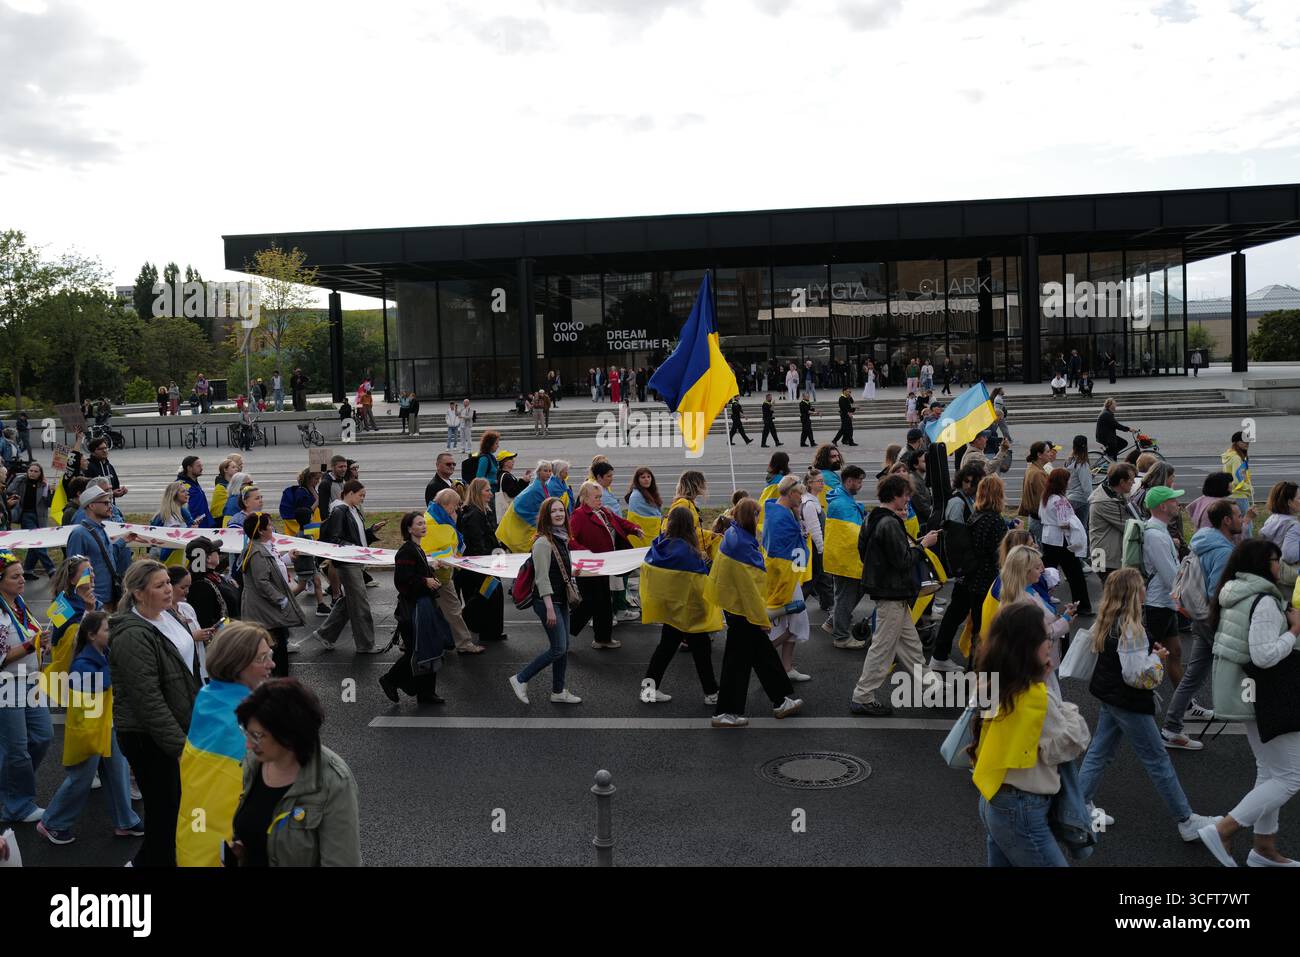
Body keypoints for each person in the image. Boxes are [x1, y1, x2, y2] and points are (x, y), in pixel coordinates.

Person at [1077, 567, 1220, 844]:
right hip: (1129, 702)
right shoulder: (1132, 629)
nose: (1146, 590)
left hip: (1110, 695)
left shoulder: (1110, 619)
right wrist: (1157, 660)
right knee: (1157, 760)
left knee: (1099, 751)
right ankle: (1186, 820)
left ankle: (1079, 806)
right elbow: (1136, 676)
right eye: (1142, 585)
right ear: (1133, 593)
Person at [1198, 539, 1300, 867]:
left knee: (1270, 770)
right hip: (1265, 695)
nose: (1279, 565)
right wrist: (1294, 631)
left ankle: (1264, 848)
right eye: (1275, 559)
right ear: (1261, 563)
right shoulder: (1265, 601)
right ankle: (1225, 828)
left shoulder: (1234, 591)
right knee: (1291, 776)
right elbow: (1264, 655)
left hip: (1242, 691)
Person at [968, 600, 1090, 867]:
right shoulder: (1036, 697)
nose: (1051, 643)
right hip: (1023, 806)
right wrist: (1066, 706)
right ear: (1029, 645)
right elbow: (1073, 742)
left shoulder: (991, 683)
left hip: (994, 797)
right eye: (1046, 637)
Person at [111, 559, 203, 867]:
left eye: (168, 583)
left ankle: (148, 860)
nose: (169, 589)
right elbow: (147, 700)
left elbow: (187, 672)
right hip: (148, 736)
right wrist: (179, 747)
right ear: (138, 593)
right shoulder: (132, 635)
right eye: (160, 585)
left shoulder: (170, 616)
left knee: (174, 809)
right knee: (165, 810)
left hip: (177, 726)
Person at [36, 609, 144, 846]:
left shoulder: (104, 653)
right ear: (93, 635)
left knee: (118, 772)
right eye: (107, 629)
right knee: (81, 780)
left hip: (106, 726)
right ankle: (52, 823)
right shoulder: (83, 664)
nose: (112, 633)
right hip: (89, 732)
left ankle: (125, 820)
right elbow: (103, 684)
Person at [228, 678, 360, 866]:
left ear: (287, 734)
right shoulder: (254, 763)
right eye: (247, 733)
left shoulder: (333, 781)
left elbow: (341, 861)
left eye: (257, 736)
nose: (249, 744)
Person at [174, 624, 272, 866]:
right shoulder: (247, 718)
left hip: (197, 836)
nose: (272, 664)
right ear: (238, 664)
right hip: (224, 843)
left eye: (270, 655)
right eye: (262, 658)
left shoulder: (210, 695)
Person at [849, 474, 940, 717]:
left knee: (910, 645)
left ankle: (932, 686)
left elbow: (868, 552)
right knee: (883, 647)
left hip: (888, 591)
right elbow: (903, 561)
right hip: (892, 593)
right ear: (894, 496)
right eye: (906, 495)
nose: (908, 499)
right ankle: (863, 695)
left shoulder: (873, 518)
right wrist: (923, 546)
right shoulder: (889, 523)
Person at [706, 499, 801, 728]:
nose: (760, 520)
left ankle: (782, 700)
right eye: (757, 515)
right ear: (751, 517)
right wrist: (761, 620)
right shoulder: (743, 547)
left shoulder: (734, 536)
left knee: (763, 655)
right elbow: (751, 590)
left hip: (735, 608)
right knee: (738, 663)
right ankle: (727, 712)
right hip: (744, 612)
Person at [639, 506, 722, 704]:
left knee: (665, 649)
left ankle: (648, 691)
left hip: (669, 610)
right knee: (702, 653)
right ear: (689, 527)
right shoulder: (688, 553)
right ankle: (711, 693)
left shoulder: (659, 545)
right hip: (688, 611)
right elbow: (699, 585)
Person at [295, 481, 386, 655]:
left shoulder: (352, 510)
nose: (362, 498)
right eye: (361, 495)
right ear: (349, 493)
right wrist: (352, 547)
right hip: (347, 562)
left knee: (350, 600)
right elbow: (334, 538)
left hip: (353, 559)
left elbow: (353, 536)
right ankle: (365, 644)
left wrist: (371, 531)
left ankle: (325, 634)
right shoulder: (340, 510)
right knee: (360, 604)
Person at [508, 497, 583, 705]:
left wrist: (571, 572)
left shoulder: (561, 538)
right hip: (548, 602)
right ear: (545, 516)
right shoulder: (543, 542)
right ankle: (521, 678)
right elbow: (541, 578)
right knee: (558, 647)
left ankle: (558, 691)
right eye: (553, 511)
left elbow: (555, 569)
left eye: (561, 510)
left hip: (560, 600)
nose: (559, 514)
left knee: (564, 646)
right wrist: (550, 608)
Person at [0, 550, 53, 824]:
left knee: (43, 735)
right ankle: (17, 805)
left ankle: (11, 786)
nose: (23, 580)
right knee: (17, 749)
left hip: (30, 681)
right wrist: (30, 645)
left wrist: (41, 643)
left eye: (22, 574)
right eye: (15, 576)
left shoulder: (19, 603)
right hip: (7, 685)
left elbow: (28, 635)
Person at [381, 512, 449, 705]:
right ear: (409, 528)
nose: (424, 526)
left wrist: (431, 574)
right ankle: (390, 680)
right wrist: (425, 581)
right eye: (419, 524)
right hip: (413, 610)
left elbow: (417, 576)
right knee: (417, 651)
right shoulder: (406, 551)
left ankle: (425, 693)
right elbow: (402, 582)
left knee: (426, 649)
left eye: (424, 523)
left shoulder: (417, 549)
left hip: (423, 608)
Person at [569, 481, 640, 650]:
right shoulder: (578, 515)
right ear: (585, 498)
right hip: (587, 567)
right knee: (591, 603)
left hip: (604, 566)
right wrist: (586, 553)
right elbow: (570, 539)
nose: (600, 500)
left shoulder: (604, 512)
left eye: (600, 496)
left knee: (603, 603)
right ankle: (565, 634)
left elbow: (620, 522)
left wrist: (634, 528)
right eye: (597, 497)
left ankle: (603, 639)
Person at [421, 488, 483, 655]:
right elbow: (439, 547)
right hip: (439, 573)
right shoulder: (437, 522)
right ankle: (464, 643)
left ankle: (408, 642)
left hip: (433, 573)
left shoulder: (432, 517)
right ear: (446, 504)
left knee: (425, 609)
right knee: (453, 609)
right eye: (455, 506)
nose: (456, 509)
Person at [238, 513, 301, 678]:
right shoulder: (258, 552)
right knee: (276, 649)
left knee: (278, 647)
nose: (273, 528)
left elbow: (274, 565)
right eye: (270, 525)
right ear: (260, 531)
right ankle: (277, 684)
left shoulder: (264, 547)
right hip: (263, 610)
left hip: (267, 608)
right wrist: (282, 599)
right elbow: (262, 582)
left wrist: (288, 558)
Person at [764, 477, 813, 683]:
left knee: (791, 622)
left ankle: (786, 667)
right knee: (797, 622)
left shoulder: (778, 512)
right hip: (784, 576)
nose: (801, 498)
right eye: (799, 494)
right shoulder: (781, 518)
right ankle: (756, 654)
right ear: (790, 493)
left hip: (787, 574)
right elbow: (784, 551)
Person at [1142, 485, 1188, 691]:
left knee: (1175, 652)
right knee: (1151, 656)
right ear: (1163, 506)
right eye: (1173, 500)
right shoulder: (1156, 536)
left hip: (1165, 602)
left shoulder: (1159, 532)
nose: (1177, 504)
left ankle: (1184, 704)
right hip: (1157, 604)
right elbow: (1170, 575)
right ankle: (1138, 699)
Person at [456, 478, 506, 644]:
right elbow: (476, 543)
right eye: (487, 490)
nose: (490, 493)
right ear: (478, 492)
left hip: (487, 561)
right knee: (489, 596)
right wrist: (489, 560)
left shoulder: (482, 510)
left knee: (492, 596)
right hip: (482, 564)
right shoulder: (474, 514)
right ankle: (486, 630)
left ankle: (491, 631)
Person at [824, 465, 867, 650]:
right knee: (845, 597)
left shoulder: (843, 499)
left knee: (849, 594)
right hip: (846, 560)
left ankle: (833, 622)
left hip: (843, 559)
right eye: (859, 481)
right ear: (849, 481)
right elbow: (854, 532)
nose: (861, 485)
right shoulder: (842, 504)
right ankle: (841, 637)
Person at [1039, 468, 1092, 616]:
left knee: (1046, 572)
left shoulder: (1046, 497)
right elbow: (1063, 523)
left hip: (1048, 538)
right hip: (1061, 540)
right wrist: (1075, 525)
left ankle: (1042, 598)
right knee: (1075, 574)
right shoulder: (1060, 500)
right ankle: (1082, 606)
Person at [66, 486, 123, 610]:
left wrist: (123, 541)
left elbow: (107, 556)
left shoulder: (101, 529)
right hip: (93, 603)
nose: (110, 506)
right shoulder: (79, 534)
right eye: (105, 503)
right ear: (91, 506)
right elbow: (73, 571)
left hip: (109, 599)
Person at [6, 461, 54, 579]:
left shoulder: (43, 485)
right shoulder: (22, 481)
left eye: (36, 471)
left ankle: (27, 570)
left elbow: (48, 503)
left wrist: (51, 491)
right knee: (37, 542)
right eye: (30, 471)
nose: (32, 473)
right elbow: (9, 490)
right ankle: (51, 569)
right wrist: (18, 478)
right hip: (26, 515)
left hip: (40, 517)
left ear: (40, 473)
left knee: (35, 543)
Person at [1259, 481, 1300, 578]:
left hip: (1270, 573)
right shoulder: (1294, 526)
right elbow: (1290, 555)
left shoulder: (1272, 519)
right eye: (1299, 498)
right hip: (1288, 580)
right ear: (1290, 502)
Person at [1018, 441, 1054, 542]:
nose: (1050, 454)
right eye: (1047, 451)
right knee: (1041, 551)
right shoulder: (1038, 474)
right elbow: (1044, 499)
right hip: (1039, 521)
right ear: (1039, 455)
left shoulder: (1032, 468)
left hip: (1034, 518)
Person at [1063, 435, 1092, 532]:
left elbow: (1073, 478)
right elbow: (1087, 488)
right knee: (1082, 529)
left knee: (1072, 529)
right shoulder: (1082, 464)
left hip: (1070, 497)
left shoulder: (1069, 461)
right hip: (1081, 500)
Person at [1222, 430, 1252, 518]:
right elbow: (1238, 480)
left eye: (1248, 441)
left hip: (1231, 495)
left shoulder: (1229, 456)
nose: (1247, 443)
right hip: (1240, 496)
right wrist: (1249, 488)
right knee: (1246, 525)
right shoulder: (1236, 458)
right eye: (1243, 441)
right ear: (1236, 443)